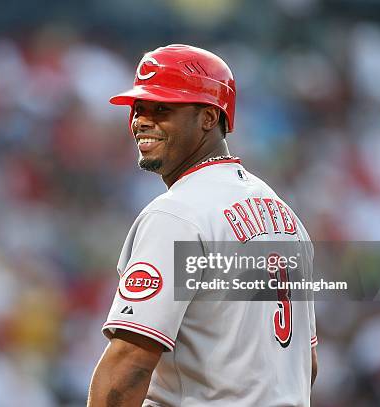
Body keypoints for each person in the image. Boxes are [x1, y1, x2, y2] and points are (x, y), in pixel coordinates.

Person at [88, 44, 317, 406]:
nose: (141, 121)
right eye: (139, 108)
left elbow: (129, 366)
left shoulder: (177, 214)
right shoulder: (285, 216)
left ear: (210, 117)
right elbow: (307, 364)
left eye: (162, 108)